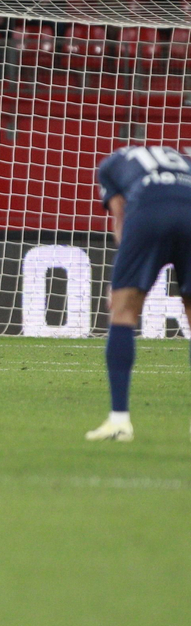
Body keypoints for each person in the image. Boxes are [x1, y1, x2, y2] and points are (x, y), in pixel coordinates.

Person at [84, 145, 191, 442]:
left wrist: (122, 281)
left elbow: (121, 218)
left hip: (149, 213)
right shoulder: (184, 162)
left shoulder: (111, 164)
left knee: (124, 312)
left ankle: (119, 422)